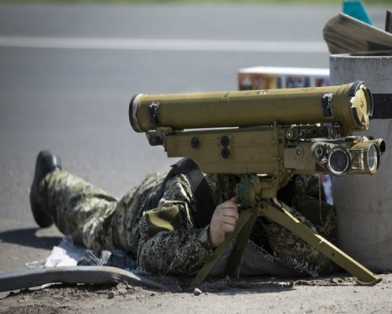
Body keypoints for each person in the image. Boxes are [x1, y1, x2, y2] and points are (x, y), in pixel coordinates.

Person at [30, 150, 337, 278]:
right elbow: (149, 254)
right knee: (96, 221)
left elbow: (323, 255)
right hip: (145, 208)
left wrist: (278, 214)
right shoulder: (194, 184)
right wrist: (208, 237)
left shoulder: (295, 178)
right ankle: (49, 181)